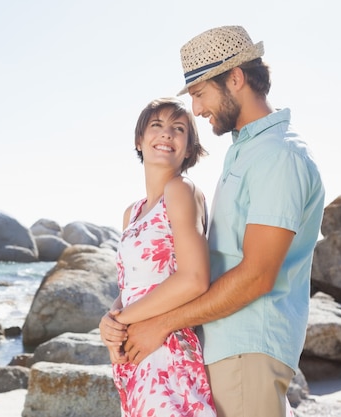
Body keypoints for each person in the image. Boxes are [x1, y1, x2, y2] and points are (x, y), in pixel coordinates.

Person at [100, 25, 324, 417]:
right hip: (223, 345)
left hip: (248, 345)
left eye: (200, 95)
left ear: (234, 79)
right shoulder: (247, 153)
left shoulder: (277, 156)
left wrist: (161, 324)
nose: (199, 110)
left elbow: (257, 275)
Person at [104, 97, 216, 416]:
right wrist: (110, 319)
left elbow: (194, 279)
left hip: (167, 345)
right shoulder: (133, 212)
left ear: (190, 149)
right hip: (137, 350)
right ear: (139, 140)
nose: (166, 134)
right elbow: (131, 288)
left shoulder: (181, 190)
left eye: (178, 128)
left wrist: (123, 320)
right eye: (156, 125)